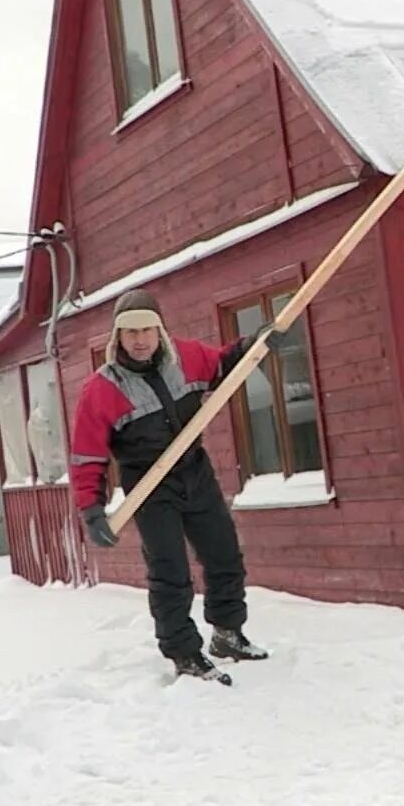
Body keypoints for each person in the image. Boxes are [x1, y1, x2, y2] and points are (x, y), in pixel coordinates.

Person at [70, 288, 278, 683]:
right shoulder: (102, 389)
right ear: (118, 338)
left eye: (147, 329)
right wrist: (91, 508)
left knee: (224, 554)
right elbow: (87, 455)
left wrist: (259, 342)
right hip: (148, 484)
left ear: (159, 329)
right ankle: (184, 653)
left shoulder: (186, 358)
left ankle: (227, 633)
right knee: (170, 572)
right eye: (130, 332)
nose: (140, 339)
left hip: (193, 471)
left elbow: (223, 364)